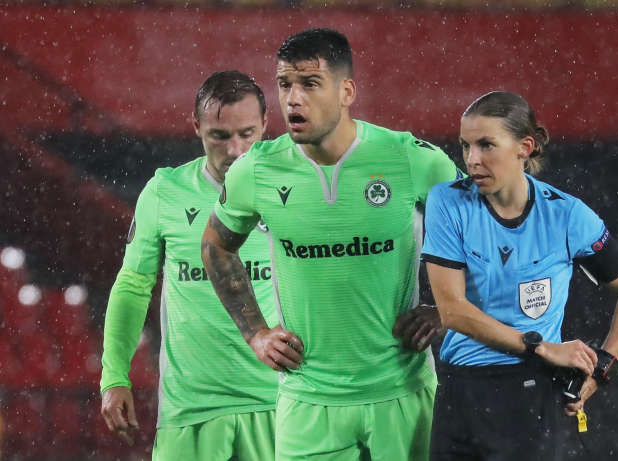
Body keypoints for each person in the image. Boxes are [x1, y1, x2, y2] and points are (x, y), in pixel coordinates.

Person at [201, 28, 459, 460]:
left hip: (401, 393)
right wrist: (256, 333)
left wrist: (445, 310)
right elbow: (215, 246)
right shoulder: (256, 170)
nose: (293, 99)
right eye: (285, 85)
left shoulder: (410, 159)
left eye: (309, 84)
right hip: (307, 401)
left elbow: (483, 239)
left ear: (346, 91)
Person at [421, 91, 618, 460]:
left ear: (524, 147)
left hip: (532, 397)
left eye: (486, 145)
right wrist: (541, 346)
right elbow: (453, 311)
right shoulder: (447, 202)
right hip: (459, 395)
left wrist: (602, 370)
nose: (472, 160)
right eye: (465, 146)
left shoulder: (568, 216)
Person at [100, 70, 279, 461]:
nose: (235, 149)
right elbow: (132, 286)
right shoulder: (165, 192)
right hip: (190, 410)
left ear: (266, 124)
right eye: (220, 135)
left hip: (281, 405)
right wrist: (114, 376)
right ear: (196, 126)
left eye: (247, 133)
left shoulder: (292, 191)